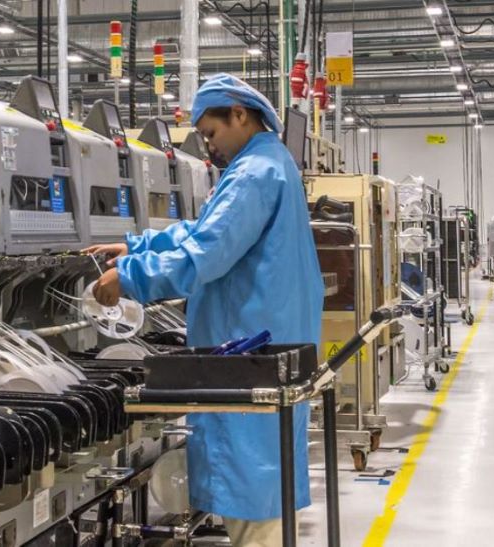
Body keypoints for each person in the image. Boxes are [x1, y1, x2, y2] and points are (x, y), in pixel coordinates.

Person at [83, 73, 323, 547]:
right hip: (261, 346)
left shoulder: (255, 173)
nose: (209, 147)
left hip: (250, 353)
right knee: (261, 489)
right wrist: (136, 245)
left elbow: (208, 251)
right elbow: (204, 229)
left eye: (211, 133)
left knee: (255, 499)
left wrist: (130, 277)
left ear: (239, 114)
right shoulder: (266, 164)